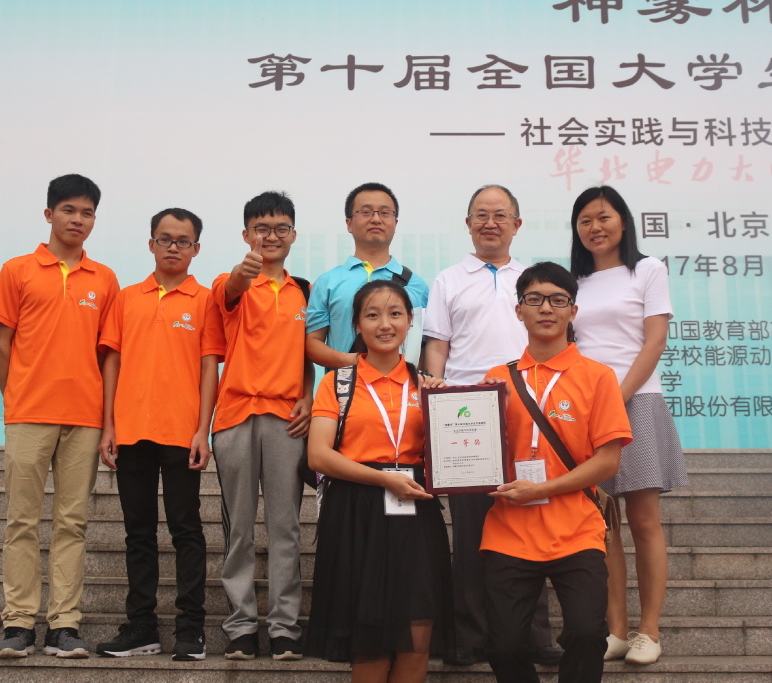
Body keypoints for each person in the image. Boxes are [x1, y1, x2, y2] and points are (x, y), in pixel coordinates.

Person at [422, 184, 561, 667]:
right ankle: (470, 635)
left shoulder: (533, 280)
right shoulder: (448, 280)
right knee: (471, 532)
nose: (490, 223)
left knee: (531, 523)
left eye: (500, 215)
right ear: (468, 224)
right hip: (468, 417)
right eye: (481, 214)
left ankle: (534, 635)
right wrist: (435, 398)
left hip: (528, 413)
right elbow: (436, 345)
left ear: (517, 225)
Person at [0, 174, 119, 658]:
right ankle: (19, 622)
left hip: (84, 417)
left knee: (72, 523)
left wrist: (108, 421)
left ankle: (64, 624)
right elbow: (1, 343)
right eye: (68, 210)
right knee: (21, 521)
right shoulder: (17, 270)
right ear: (49, 214)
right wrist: (17, 396)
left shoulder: (104, 279)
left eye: (87, 212)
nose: (77, 219)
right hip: (28, 414)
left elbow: (109, 355)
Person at [479, 261, 632, 683]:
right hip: (509, 530)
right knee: (504, 644)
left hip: (576, 529)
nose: (546, 308)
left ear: (573, 311)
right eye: (534, 299)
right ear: (519, 310)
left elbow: (608, 461)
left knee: (586, 634)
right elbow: (475, 449)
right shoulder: (496, 379)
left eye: (558, 300)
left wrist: (542, 488)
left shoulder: (598, 378)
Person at [306, 279, 453, 683]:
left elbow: (450, 457)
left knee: (418, 638)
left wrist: (444, 410)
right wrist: (384, 480)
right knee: (368, 640)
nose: (385, 324)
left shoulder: (428, 385)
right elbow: (318, 455)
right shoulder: (337, 382)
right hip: (356, 514)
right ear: (357, 324)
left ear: (410, 322)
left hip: (416, 512)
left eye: (395, 314)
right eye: (372, 315)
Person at [94, 208, 222, 660]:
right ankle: (141, 628)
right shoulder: (126, 298)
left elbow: (210, 367)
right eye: (164, 239)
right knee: (138, 532)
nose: (173, 247)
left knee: (187, 529)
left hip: (182, 432)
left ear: (196, 249)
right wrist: (109, 424)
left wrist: (203, 430)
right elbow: (112, 361)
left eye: (183, 241)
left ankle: (191, 629)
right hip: (131, 430)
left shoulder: (206, 301)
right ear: (151, 244)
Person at [568, 185, 688, 665]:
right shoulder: (574, 280)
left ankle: (649, 630)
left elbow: (654, 342)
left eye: (604, 217)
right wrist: (588, 404)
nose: (595, 227)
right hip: (585, 408)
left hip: (635, 401)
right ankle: (615, 629)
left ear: (623, 221)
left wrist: (615, 398)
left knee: (642, 520)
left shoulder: (648, 269)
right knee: (604, 523)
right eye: (585, 221)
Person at [211, 191, 313, 661]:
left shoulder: (303, 291)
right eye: (262, 228)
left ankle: (285, 627)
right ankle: (241, 627)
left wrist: (308, 396)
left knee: (285, 526)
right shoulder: (230, 282)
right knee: (239, 528)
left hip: (286, 420)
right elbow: (232, 288)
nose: (271, 236)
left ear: (293, 234)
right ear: (246, 234)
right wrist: (244, 270)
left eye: (280, 228)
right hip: (234, 416)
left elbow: (306, 353)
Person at [306, 182, 428, 369]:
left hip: (402, 386)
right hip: (346, 385)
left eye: (385, 213)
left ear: (395, 223)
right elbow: (313, 342)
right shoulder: (327, 282)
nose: (376, 219)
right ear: (349, 223)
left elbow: (426, 346)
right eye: (366, 212)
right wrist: (358, 363)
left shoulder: (416, 285)